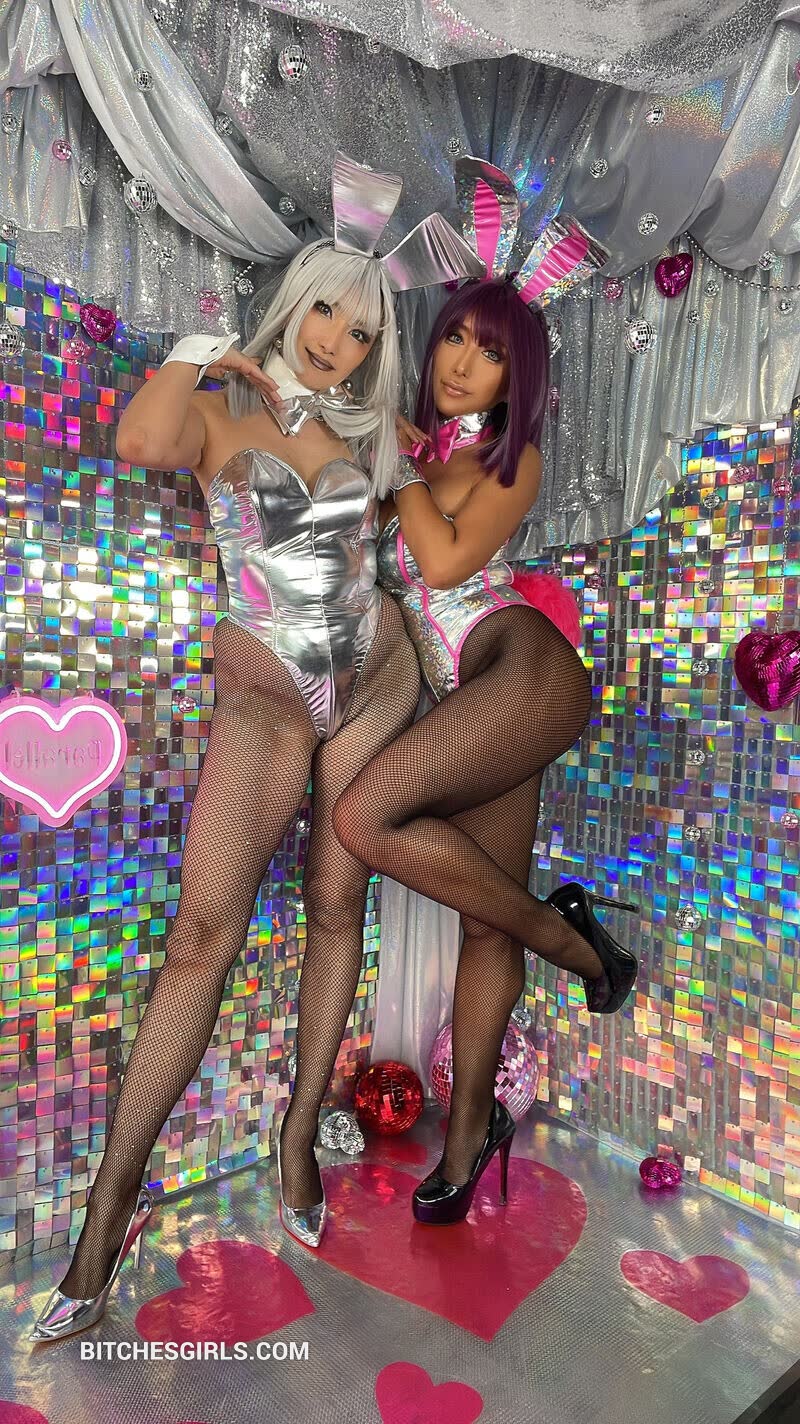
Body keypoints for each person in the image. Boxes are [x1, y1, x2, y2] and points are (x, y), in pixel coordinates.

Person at [29, 156, 483, 1340]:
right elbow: (139, 437)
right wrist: (202, 349)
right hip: (269, 699)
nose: (338, 340)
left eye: (363, 327)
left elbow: (419, 543)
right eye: (325, 310)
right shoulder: (223, 408)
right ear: (291, 303)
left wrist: (429, 461)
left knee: (337, 904)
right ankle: (108, 1212)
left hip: (374, 679)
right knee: (199, 941)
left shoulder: (371, 429)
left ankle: (295, 1135)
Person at [332, 159, 639, 1226]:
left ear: (518, 379)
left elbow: (449, 563)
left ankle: (571, 941)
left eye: (491, 351)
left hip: (527, 670)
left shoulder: (515, 461)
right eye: (456, 337)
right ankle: (470, 1132)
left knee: (364, 816)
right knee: (482, 921)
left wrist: (404, 467)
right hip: (474, 693)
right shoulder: (410, 457)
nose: (463, 361)